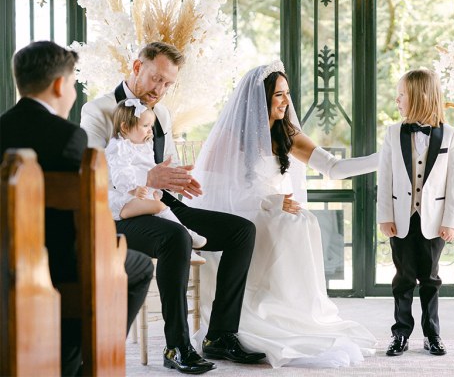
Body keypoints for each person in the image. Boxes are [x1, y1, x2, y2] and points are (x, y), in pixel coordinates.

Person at [81, 41, 265, 374]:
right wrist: (149, 176)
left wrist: (175, 178)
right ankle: (177, 345)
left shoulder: (161, 113)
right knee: (175, 238)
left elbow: (160, 162)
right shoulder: (97, 110)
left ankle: (221, 335)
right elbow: (92, 175)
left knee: (241, 231)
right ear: (138, 67)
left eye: (168, 84)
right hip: (117, 211)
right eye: (156, 79)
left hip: (160, 201)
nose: (161, 89)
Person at [184, 61, 379, 368]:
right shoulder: (230, 137)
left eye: (287, 93)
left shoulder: (288, 132)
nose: (286, 101)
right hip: (243, 219)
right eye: (278, 95)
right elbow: (216, 192)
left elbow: (334, 168)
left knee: (300, 220)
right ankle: (242, 318)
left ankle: (295, 312)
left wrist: (383, 159)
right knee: (286, 222)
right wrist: (270, 201)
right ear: (260, 98)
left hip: (273, 213)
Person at [0, 40, 154, 376]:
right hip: (55, 261)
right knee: (138, 267)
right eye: (72, 84)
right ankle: (82, 359)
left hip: (4, 257)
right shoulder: (68, 136)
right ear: (59, 85)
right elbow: (84, 219)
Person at [377, 69, 454, 357]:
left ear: (419, 96)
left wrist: (450, 221)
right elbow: (385, 177)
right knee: (403, 278)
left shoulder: (449, 135)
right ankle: (400, 334)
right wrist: (384, 216)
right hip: (401, 218)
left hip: (434, 221)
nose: (397, 99)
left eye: (401, 94)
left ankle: (432, 334)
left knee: (430, 279)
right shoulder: (392, 133)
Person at [105, 99, 207, 249]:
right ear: (125, 127)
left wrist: (161, 181)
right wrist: (133, 189)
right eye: (145, 126)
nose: (150, 130)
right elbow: (120, 173)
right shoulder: (120, 147)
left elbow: (148, 168)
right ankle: (188, 234)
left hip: (139, 195)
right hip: (123, 199)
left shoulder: (142, 145)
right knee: (160, 207)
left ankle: (186, 238)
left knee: (157, 203)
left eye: (151, 126)